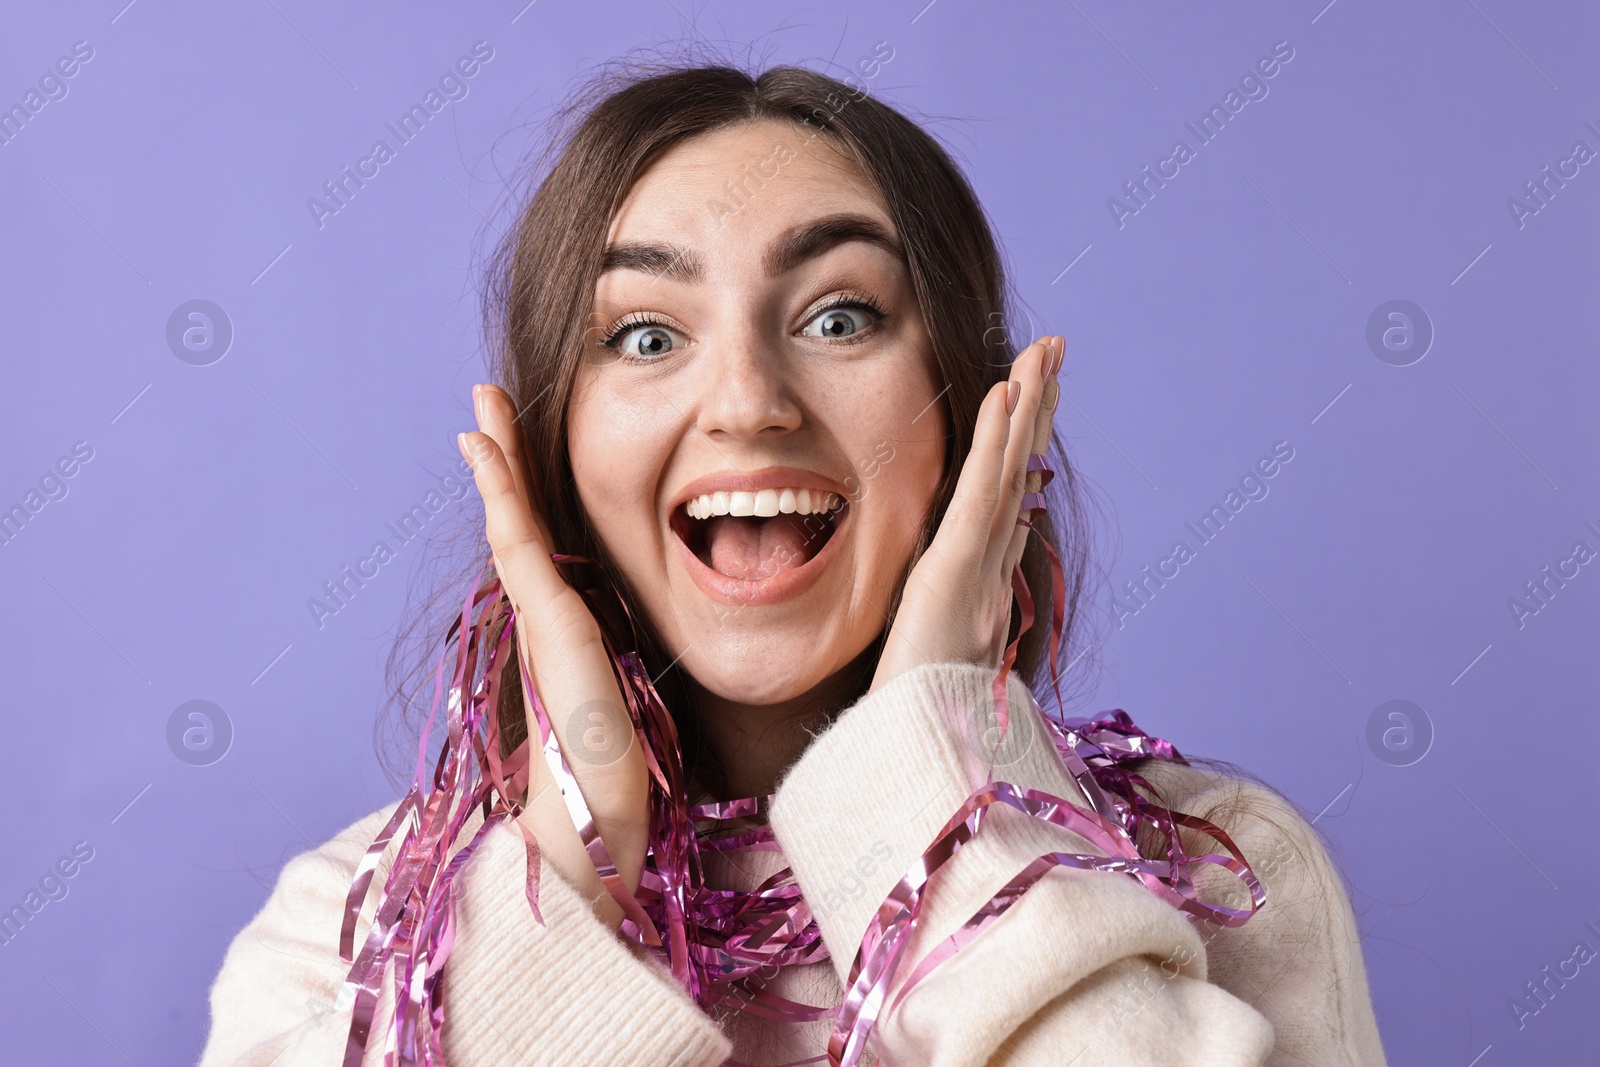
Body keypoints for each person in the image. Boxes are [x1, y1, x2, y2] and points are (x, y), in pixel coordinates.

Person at [197, 59, 1387, 1066]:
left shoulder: (1221, 876)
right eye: (647, 335)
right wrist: (562, 870)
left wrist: (942, 795)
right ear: (555, 447)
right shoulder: (344, 936)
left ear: (973, 416)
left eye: (839, 317)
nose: (749, 402)